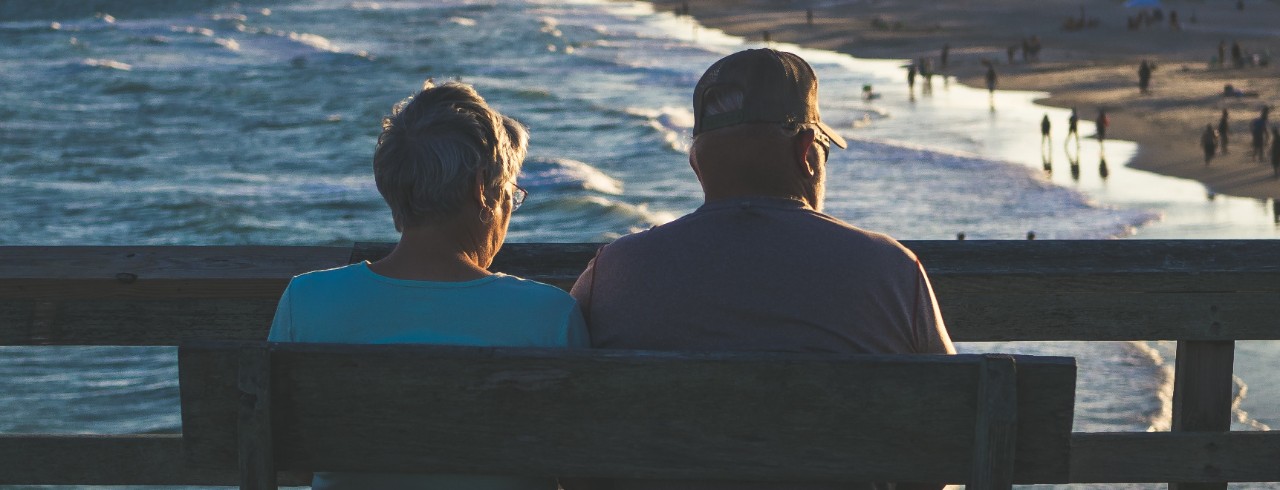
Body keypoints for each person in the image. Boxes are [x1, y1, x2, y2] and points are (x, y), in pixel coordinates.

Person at [566, 48, 954, 490]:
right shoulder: (891, 269)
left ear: (696, 162)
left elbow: (570, 437)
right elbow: (950, 436)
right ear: (808, 153)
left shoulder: (613, 272)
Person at [268, 80, 587, 490]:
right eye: (510, 193)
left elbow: (289, 462)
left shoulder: (305, 301)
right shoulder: (549, 315)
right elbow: (581, 472)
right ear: (481, 190)